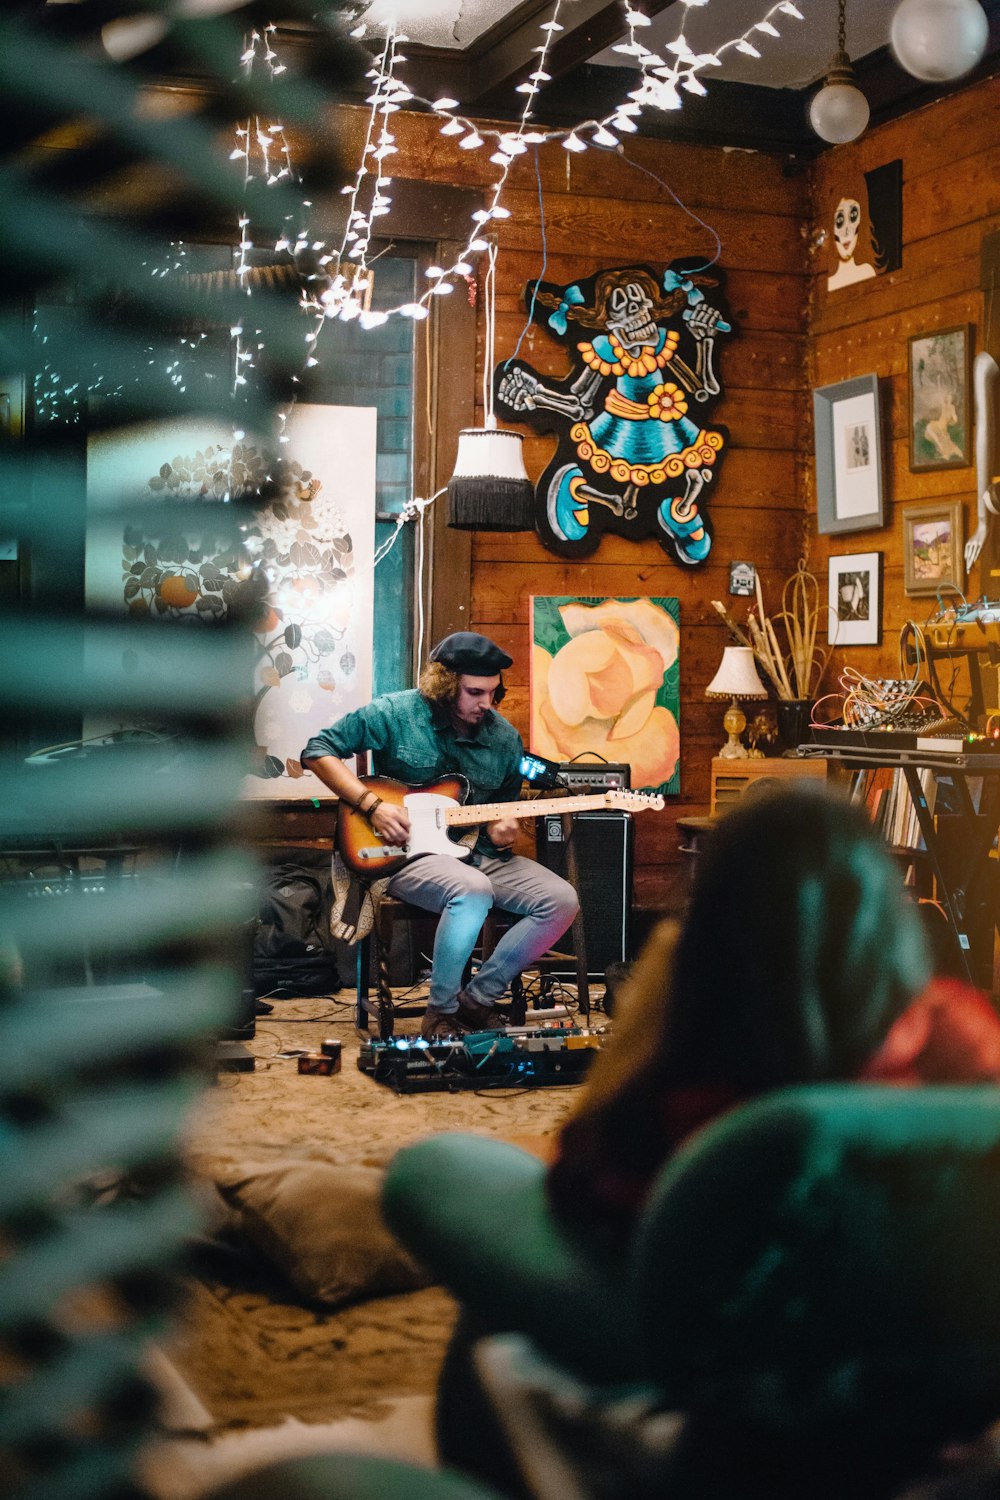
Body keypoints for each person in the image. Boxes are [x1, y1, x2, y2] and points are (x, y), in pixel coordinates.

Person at [546, 782, 1000, 1250]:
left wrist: (664, 983)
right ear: (884, 910)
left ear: (712, 912)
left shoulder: (686, 1091)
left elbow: (577, 1189)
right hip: (897, 1308)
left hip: (699, 1313)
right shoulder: (954, 1030)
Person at [301, 631, 579, 1041]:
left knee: (561, 900)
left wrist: (504, 832)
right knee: (472, 889)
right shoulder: (395, 713)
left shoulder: (502, 738)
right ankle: (441, 1012)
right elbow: (318, 749)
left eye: (492, 693)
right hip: (401, 852)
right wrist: (372, 805)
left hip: (474, 851)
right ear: (445, 685)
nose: (485, 703)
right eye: (473, 692)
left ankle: (478, 1000)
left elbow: (501, 814)